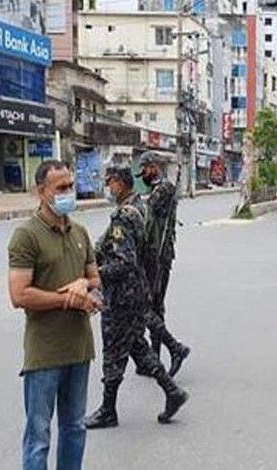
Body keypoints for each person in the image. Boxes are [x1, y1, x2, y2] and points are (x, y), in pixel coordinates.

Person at [7, 160, 102, 470]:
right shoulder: (27, 235)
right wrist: (68, 300)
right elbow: (19, 294)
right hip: (45, 354)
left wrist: (84, 284)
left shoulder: (80, 232)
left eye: (70, 186)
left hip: (79, 349)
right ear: (41, 192)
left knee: (75, 427)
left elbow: (96, 282)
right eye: (61, 188)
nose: (68, 193)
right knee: (39, 436)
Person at [85, 166, 189, 429]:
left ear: (120, 183)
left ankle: (108, 411)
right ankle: (172, 391)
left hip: (122, 295)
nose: (108, 188)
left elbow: (123, 261)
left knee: (113, 351)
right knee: (137, 346)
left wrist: (94, 277)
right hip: (138, 290)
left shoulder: (123, 216)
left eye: (109, 183)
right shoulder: (139, 207)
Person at [134, 151, 191, 377]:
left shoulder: (164, 189)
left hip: (158, 256)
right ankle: (154, 358)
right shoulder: (159, 188)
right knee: (153, 305)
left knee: (150, 305)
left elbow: (149, 216)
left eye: (146, 170)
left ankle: (173, 349)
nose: (144, 176)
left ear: (154, 167)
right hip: (155, 255)